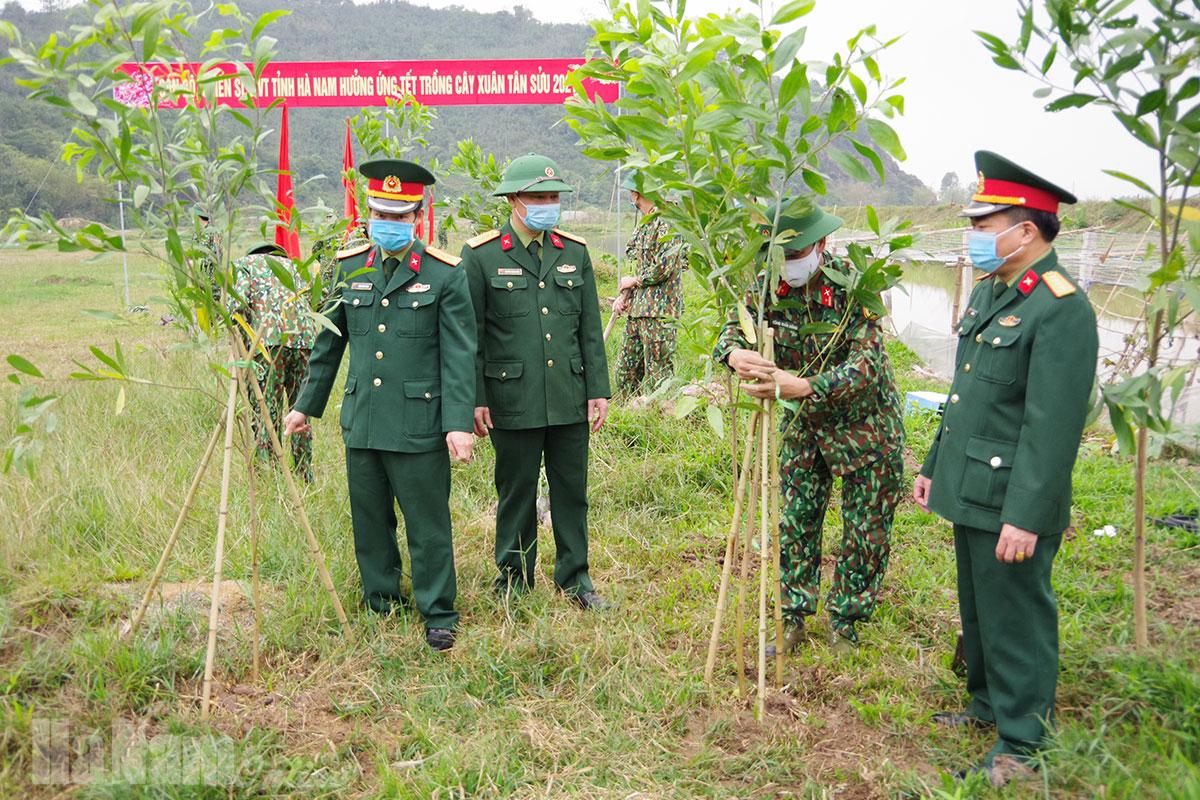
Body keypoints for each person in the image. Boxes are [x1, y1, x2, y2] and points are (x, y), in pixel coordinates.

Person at [912, 151, 1098, 786]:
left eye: (984, 226)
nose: (975, 237)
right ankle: (987, 705)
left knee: (1017, 615)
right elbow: (965, 394)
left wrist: (1026, 516)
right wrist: (935, 464)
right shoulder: (993, 290)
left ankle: (1024, 742)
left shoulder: (1060, 307)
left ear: (1026, 230)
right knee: (980, 607)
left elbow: (1052, 428)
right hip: (972, 481)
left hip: (1012, 495)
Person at [283, 159, 476, 652]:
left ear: (417, 217)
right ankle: (381, 600)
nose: (387, 223)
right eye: (379, 214)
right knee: (369, 520)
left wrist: (458, 424)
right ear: (368, 214)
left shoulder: (444, 274)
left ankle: (438, 611)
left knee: (427, 524)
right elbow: (329, 344)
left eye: (398, 216)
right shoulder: (350, 268)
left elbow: (459, 356)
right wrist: (305, 406)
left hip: (419, 423)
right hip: (364, 420)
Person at [715, 201, 905, 650]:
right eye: (780, 255)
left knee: (865, 529)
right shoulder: (767, 286)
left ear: (821, 244)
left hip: (865, 425)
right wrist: (734, 354)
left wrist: (803, 386)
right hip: (804, 426)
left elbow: (867, 365)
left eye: (797, 253)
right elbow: (733, 330)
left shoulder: (856, 287)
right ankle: (793, 617)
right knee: (797, 522)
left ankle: (846, 621)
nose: (788, 265)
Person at [459, 153, 612, 610]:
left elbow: (589, 328)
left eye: (553, 197)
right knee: (516, 491)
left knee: (571, 492)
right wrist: (475, 398)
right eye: (538, 197)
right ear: (513, 199)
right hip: (512, 397)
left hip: (568, 394)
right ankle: (514, 579)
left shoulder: (574, 252)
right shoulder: (482, 256)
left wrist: (598, 389)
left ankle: (576, 579)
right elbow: (472, 336)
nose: (548, 205)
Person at [228, 243, 318, 481]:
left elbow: (236, 306)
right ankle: (304, 471)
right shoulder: (296, 267)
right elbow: (314, 302)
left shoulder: (244, 265)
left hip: (267, 344)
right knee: (300, 409)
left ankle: (270, 474)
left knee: (266, 410)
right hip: (305, 341)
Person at [613, 170, 688, 398]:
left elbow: (664, 265)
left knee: (659, 377)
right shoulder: (645, 222)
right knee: (625, 373)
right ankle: (629, 411)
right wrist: (625, 294)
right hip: (638, 310)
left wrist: (635, 280)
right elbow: (634, 258)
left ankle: (659, 414)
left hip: (659, 312)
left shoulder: (667, 220)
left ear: (636, 194)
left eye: (631, 192)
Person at [191, 208, 222, 300]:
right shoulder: (197, 233)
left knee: (212, 304)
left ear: (198, 216)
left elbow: (217, 257)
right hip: (199, 277)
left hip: (210, 278)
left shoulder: (213, 232)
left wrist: (199, 262)